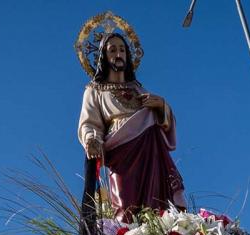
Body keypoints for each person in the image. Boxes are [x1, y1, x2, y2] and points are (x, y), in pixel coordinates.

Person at [77, 29, 185, 220]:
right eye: (112, 50)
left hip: (150, 151)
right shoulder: (94, 91)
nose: (118, 54)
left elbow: (165, 124)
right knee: (125, 207)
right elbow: (89, 123)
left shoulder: (138, 89)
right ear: (103, 56)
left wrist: (161, 106)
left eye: (122, 50)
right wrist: (92, 139)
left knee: (156, 203)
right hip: (121, 155)